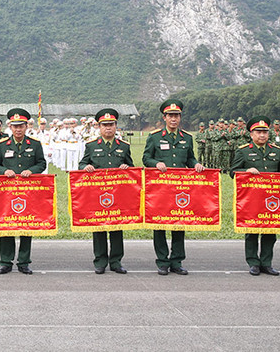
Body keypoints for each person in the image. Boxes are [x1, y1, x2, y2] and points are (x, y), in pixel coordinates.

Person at [141, 99, 205, 276]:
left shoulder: (187, 138)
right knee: (159, 224)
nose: (174, 119)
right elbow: (146, 158)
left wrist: (196, 164)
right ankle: (162, 261)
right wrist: (156, 163)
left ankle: (177, 261)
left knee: (179, 223)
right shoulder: (155, 137)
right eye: (170, 116)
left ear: (180, 117)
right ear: (164, 117)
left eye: (177, 115)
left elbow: (190, 158)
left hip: (180, 189)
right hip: (160, 189)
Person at [230, 116, 280, 276]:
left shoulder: (276, 150)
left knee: (270, 231)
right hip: (252, 198)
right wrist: (246, 171)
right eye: (258, 132)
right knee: (252, 231)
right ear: (251, 134)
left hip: (271, 199)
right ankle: (253, 263)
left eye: (265, 132)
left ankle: (266, 263)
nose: (262, 135)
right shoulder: (243, 151)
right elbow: (232, 171)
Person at [0, 108, 47, 275]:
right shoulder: (2, 145)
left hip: (28, 192)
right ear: (10, 127)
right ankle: (5, 262)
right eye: (15, 126)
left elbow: (42, 163)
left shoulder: (35, 144)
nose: (18, 129)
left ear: (26, 126)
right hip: (7, 193)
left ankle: (24, 262)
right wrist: (4, 171)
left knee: (26, 224)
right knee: (7, 225)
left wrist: (31, 170)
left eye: (21, 126)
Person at [78, 108, 133, 275]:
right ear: (99, 127)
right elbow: (82, 164)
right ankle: (100, 261)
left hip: (118, 194)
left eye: (111, 124)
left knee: (117, 227)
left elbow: (132, 168)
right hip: (98, 194)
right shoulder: (91, 146)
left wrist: (127, 167)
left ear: (116, 126)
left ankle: (116, 262)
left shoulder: (124, 147)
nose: (108, 128)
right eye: (104, 125)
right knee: (99, 227)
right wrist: (86, 167)